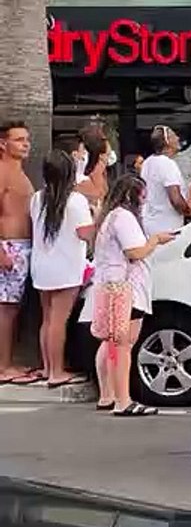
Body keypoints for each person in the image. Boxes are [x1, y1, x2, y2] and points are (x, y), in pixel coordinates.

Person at [90, 174, 174, 416]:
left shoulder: (109, 217)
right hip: (127, 289)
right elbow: (135, 252)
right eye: (143, 197)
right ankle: (123, 400)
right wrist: (156, 240)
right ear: (133, 195)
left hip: (110, 285)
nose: (145, 202)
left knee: (110, 342)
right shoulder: (124, 218)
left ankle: (107, 395)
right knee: (123, 345)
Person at [30, 151, 95, 389]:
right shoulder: (75, 200)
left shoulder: (37, 198)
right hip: (66, 267)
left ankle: (48, 367)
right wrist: (98, 218)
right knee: (59, 320)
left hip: (41, 266)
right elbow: (85, 234)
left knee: (47, 319)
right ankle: (57, 371)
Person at [0, 122, 35, 385]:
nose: (25, 144)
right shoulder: (2, 172)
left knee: (13, 309)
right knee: (6, 310)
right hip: (9, 246)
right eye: (19, 140)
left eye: (27, 140)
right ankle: (3, 367)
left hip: (23, 246)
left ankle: (8, 362)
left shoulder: (20, 173)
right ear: (3, 144)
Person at [140, 125, 191, 235]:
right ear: (167, 142)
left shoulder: (148, 162)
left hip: (149, 224)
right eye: (174, 136)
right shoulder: (167, 164)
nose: (178, 139)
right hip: (167, 228)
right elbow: (176, 200)